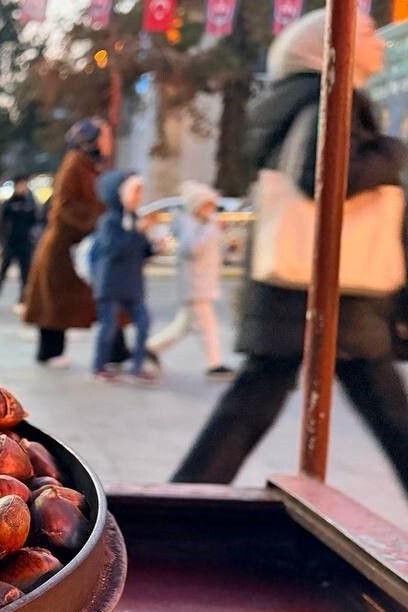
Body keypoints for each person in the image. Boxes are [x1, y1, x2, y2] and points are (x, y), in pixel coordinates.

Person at [173, 10, 408, 493]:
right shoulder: (330, 96)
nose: (380, 44)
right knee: (390, 414)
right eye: (366, 34)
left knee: (251, 403)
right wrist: (395, 151)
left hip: (297, 285)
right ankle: (182, 502)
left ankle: (184, 499)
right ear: (324, 48)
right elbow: (325, 175)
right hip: (331, 287)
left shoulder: (294, 98)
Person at [23, 118, 111, 367]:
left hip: (73, 245)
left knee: (74, 301)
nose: (108, 141)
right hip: (63, 247)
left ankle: (116, 349)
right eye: (104, 136)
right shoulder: (75, 165)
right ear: (90, 141)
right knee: (54, 303)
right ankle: (49, 351)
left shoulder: (88, 166)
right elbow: (64, 207)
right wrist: (95, 221)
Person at [146, 181, 235, 379]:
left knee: (184, 325)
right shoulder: (188, 223)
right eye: (208, 205)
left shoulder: (205, 224)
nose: (212, 210)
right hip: (195, 284)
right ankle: (215, 363)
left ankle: (151, 348)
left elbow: (214, 251)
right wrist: (212, 229)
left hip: (204, 282)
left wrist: (225, 244)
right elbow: (191, 249)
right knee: (208, 326)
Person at [90, 171, 157, 384]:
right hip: (110, 284)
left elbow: (141, 251)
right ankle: (99, 366)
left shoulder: (135, 218)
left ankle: (137, 366)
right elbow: (113, 249)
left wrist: (154, 246)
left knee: (144, 323)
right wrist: (135, 232)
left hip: (132, 284)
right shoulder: (109, 221)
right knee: (108, 327)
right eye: (135, 191)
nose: (139, 196)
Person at [0, 175, 38, 314]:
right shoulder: (9, 204)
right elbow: (2, 224)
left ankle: (22, 301)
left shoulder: (31, 203)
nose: (23, 188)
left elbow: (36, 221)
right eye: (21, 185)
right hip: (10, 243)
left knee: (25, 275)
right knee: (2, 272)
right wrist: (2, 241)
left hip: (25, 243)